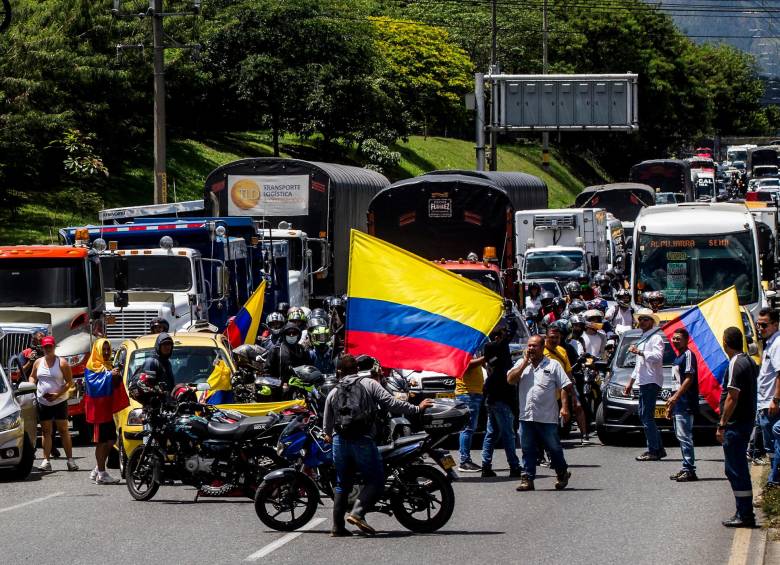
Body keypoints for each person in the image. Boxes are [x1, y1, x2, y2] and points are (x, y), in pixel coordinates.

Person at [323, 354, 432, 536]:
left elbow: (327, 421)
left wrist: (328, 435)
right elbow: (391, 403)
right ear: (357, 369)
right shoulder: (369, 384)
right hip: (363, 440)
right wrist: (416, 408)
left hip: (339, 441)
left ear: (339, 372)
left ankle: (337, 527)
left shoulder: (334, 390)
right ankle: (357, 513)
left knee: (342, 484)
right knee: (376, 480)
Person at [508, 335, 572, 491]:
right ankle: (528, 479)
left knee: (553, 448)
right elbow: (510, 379)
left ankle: (561, 472)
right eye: (529, 346)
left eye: (534, 346)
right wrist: (524, 363)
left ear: (542, 347)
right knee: (527, 448)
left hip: (547, 416)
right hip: (526, 416)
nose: (530, 348)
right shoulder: (521, 364)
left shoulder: (553, 365)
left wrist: (564, 407)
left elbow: (565, 386)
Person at [718, 326, 758, 528]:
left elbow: (732, 397)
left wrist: (722, 424)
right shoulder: (748, 360)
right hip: (745, 422)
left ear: (725, 342)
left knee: (735, 469)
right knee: (737, 468)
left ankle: (745, 514)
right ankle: (744, 511)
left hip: (736, 425)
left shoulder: (736, 363)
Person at [29, 336, 78, 472]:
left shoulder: (62, 363)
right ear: (42, 348)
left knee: (63, 430)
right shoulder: (38, 362)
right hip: (43, 401)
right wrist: (31, 384)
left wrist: (57, 395)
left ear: (54, 346)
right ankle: (46, 460)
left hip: (59, 401)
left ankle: (70, 460)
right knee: (46, 432)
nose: (48, 349)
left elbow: (70, 382)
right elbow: (33, 376)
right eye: (46, 347)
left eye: (50, 346)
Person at [84, 339, 129, 485]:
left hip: (106, 410)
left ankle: (98, 468)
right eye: (103, 349)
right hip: (97, 412)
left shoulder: (108, 365)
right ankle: (102, 474)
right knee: (101, 443)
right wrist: (110, 375)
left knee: (111, 440)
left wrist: (114, 375)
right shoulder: (91, 367)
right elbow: (94, 387)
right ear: (96, 350)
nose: (106, 352)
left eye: (108, 349)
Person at [623, 308, 666, 461]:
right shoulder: (644, 337)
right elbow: (638, 365)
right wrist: (630, 383)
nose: (642, 322)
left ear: (652, 321)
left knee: (646, 416)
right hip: (644, 380)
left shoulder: (655, 338)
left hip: (651, 380)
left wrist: (640, 352)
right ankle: (657, 448)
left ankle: (654, 449)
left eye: (645, 319)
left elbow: (657, 357)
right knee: (645, 415)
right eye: (640, 319)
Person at [481, 321, 522, 478]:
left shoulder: (491, 348)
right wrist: (509, 314)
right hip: (500, 398)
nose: (504, 334)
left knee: (492, 432)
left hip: (493, 397)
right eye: (501, 332)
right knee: (508, 434)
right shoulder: (495, 346)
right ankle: (514, 466)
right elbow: (512, 330)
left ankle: (486, 466)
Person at [754, 308, 780, 503]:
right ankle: (774, 481)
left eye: (764, 324)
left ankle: (773, 483)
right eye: (759, 324)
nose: (760, 327)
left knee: (775, 442)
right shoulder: (769, 343)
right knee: (770, 447)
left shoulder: (778, 343)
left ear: (775, 325)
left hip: (772, 404)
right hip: (764, 403)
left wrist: (776, 399)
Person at [666, 328, 699, 482]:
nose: (675, 341)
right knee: (680, 436)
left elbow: (689, 378)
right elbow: (675, 383)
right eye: (674, 338)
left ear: (686, 340)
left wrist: (675, 398)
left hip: (686, 402)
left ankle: (689, 470)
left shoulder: (688, 355)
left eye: (678, 338)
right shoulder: (677, 357)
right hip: (678, 403)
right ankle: (686, 466)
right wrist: (671, 405)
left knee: (685, 437)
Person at [456, 352, 485, 473]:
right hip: (468, 395)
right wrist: (485, 357)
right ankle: (464, 461)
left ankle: (465, 460)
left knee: (469, 429)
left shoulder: (471, 350)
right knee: (467, 429)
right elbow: (466, 365)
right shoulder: (462, 350)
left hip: (473, 394)